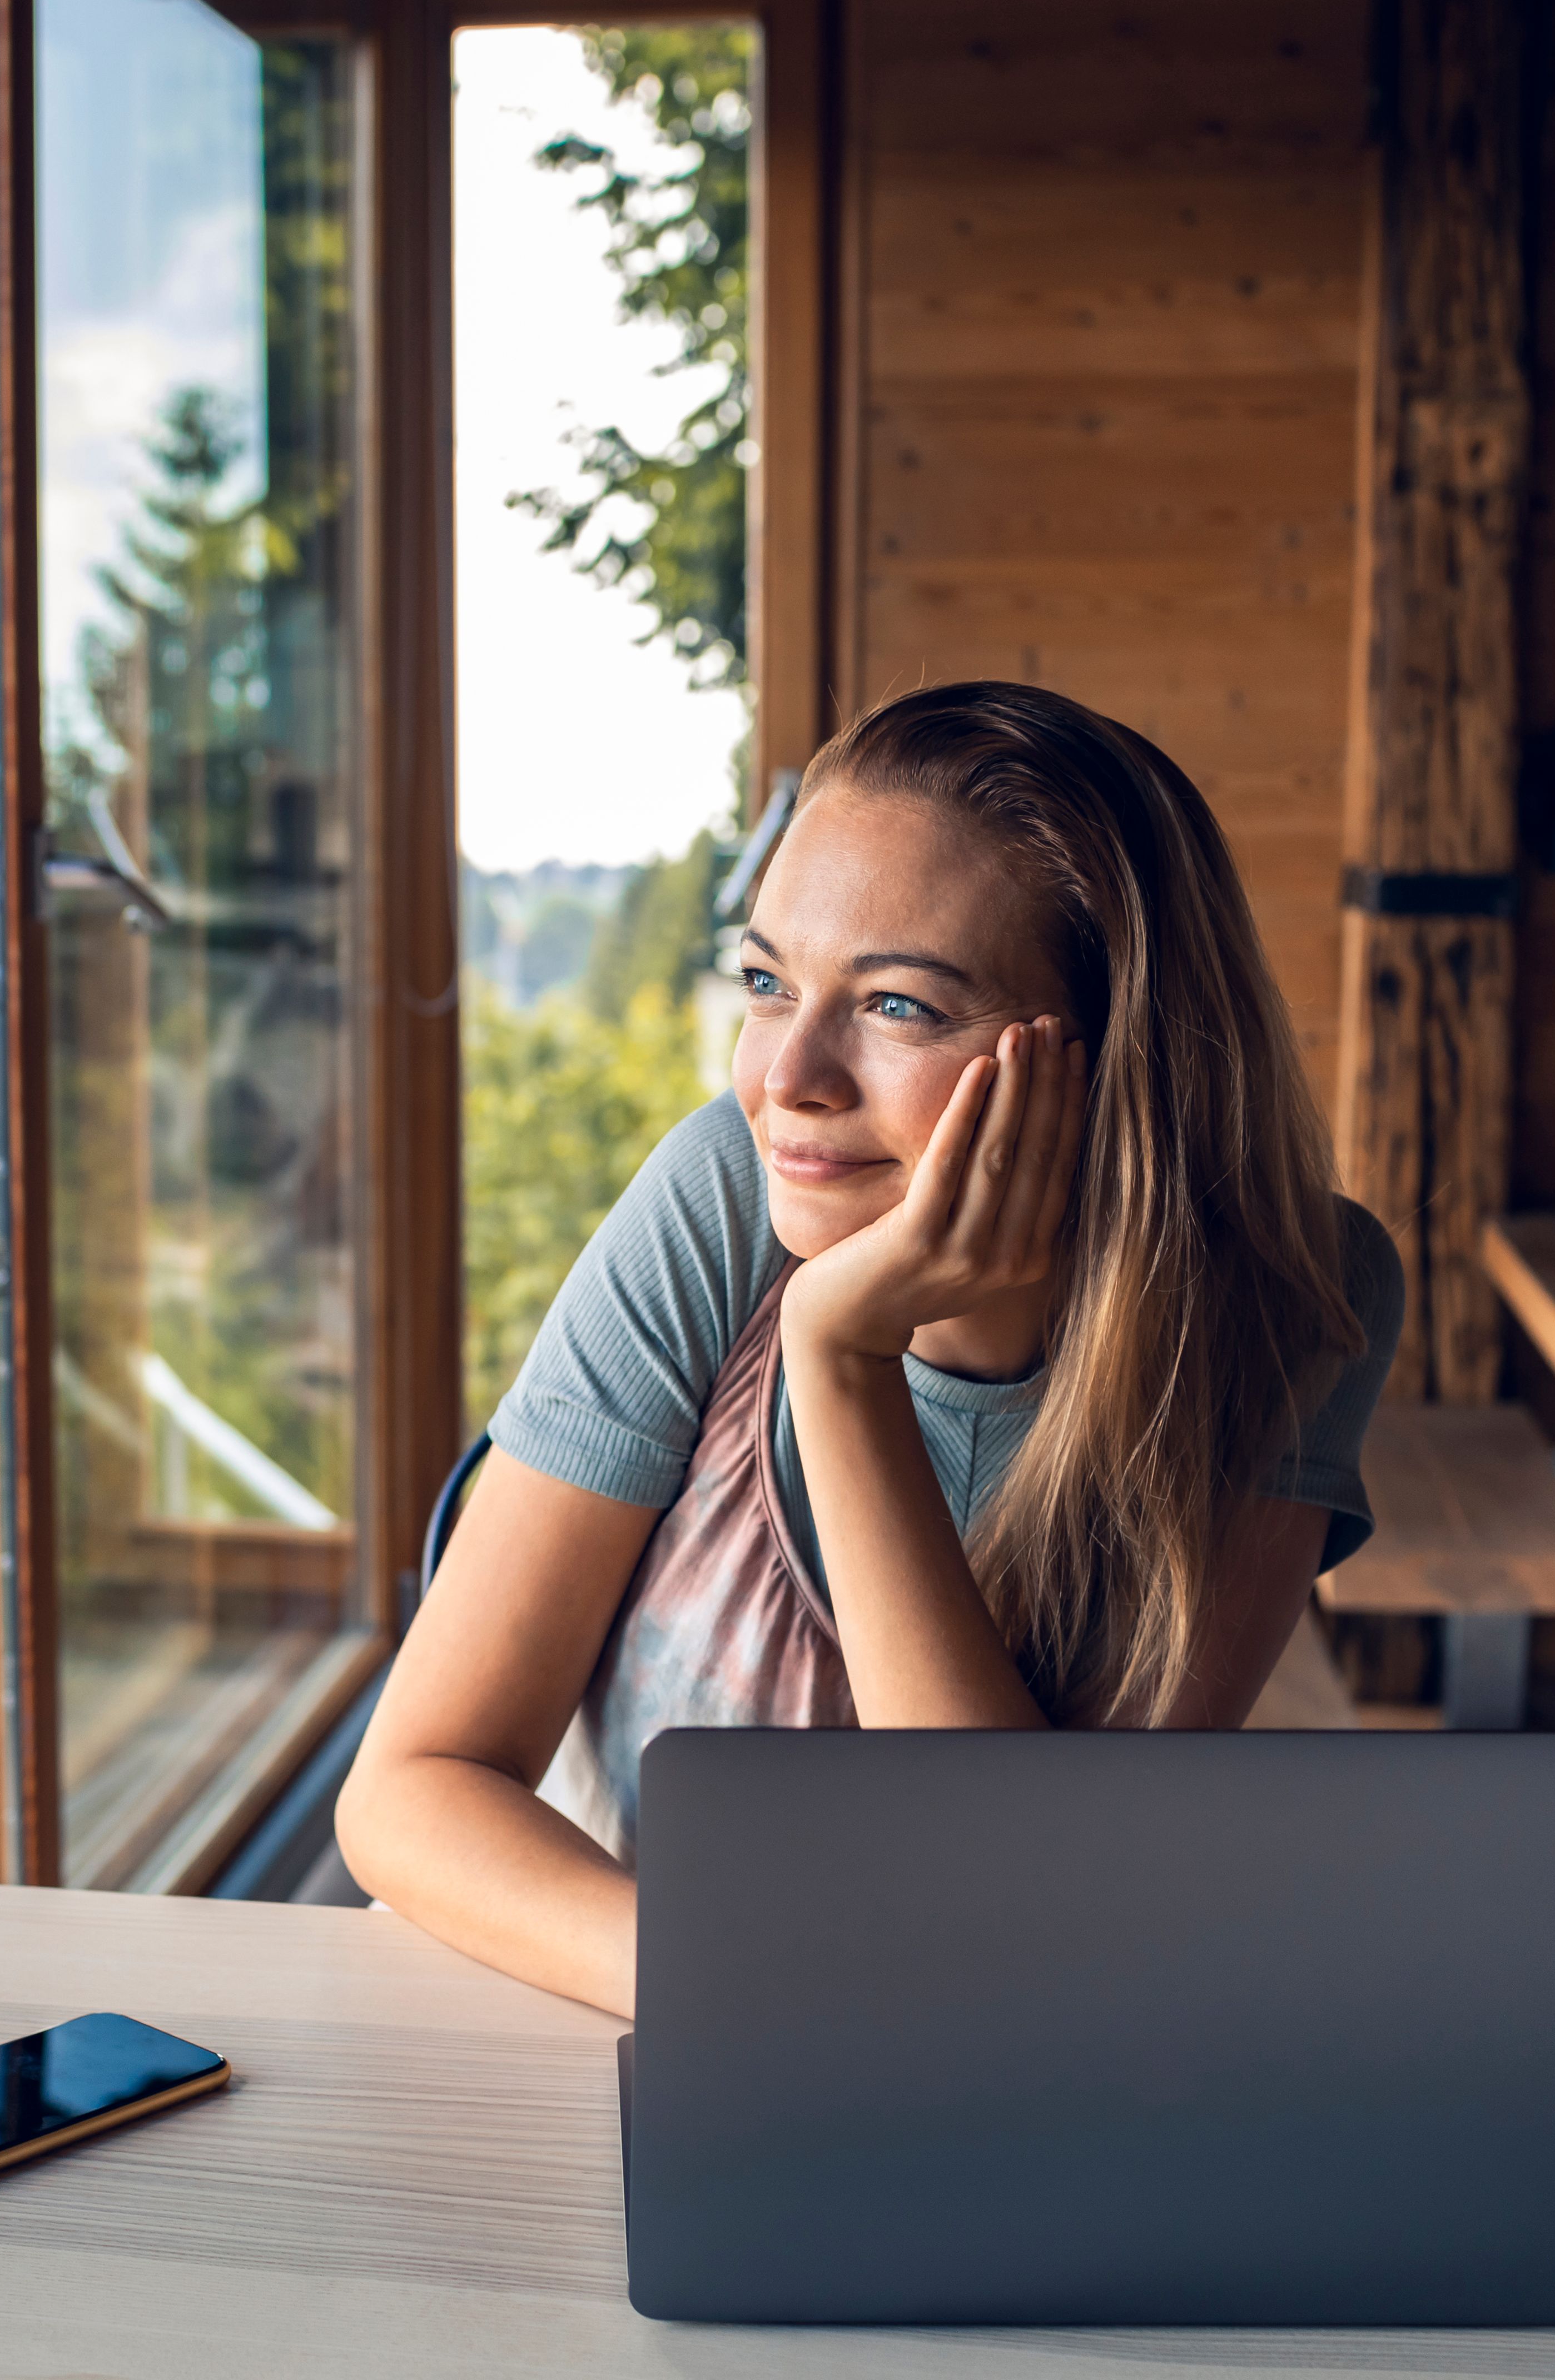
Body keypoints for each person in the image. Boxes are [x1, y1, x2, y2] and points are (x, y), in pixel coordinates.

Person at [334, 679, 1407, 2018]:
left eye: (898, 1006)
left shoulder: (1292, 1295)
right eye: (769, 982)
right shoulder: (724, 1191)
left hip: (993, 2086)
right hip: (633, 2026)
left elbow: (1028, 1914)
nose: (790, 1077)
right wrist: (767, 2000)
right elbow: (411, 1788)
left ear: (1118, 1053)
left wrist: (840, 1358)